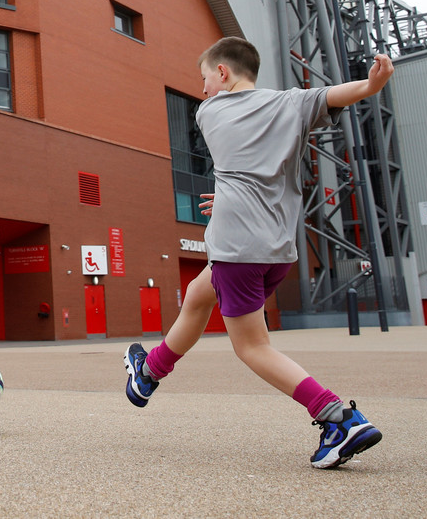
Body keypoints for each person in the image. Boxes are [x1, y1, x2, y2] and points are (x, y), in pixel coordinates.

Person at [123, 37, 393, 468]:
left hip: (238, 247)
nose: (203, 88)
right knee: (198, 294)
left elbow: (241, 159)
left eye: (205, 77)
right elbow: (336, 95)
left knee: (253, 347)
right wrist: (372, 85)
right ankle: (149, 373)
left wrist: (233, 198)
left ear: (223, 72)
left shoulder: (210, 112)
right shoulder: (293, 103)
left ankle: (338, 419)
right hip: (277, 249)